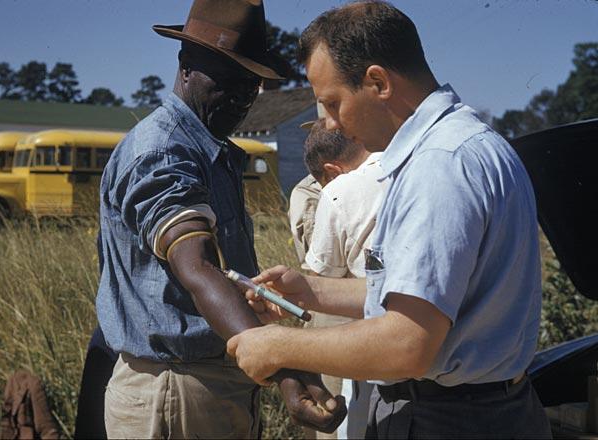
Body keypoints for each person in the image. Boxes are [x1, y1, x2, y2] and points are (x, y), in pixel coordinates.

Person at [227, 1, 552, 438]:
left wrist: (279, 346)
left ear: (378, 82)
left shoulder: (438, 167)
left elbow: (408, 343)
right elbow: (431, 293)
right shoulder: (468, 144)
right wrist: (312, 290)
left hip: (447, 421)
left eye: (332, 103)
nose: (329, 124)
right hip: (486, 412)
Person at [95, 1, 346, 438]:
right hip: (175, 390)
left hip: (211, 383)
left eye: (252, 87)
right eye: (228, 81)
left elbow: (224, 274)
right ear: (186, 65)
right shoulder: (163, 151)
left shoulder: (211, 148)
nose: (242, 98)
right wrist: (285, 368)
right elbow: (199, 267)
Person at [302, 119, 387, 439]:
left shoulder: (339, 191)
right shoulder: (409, 168)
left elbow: (321, 281)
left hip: (374, 353)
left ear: (332, 171)